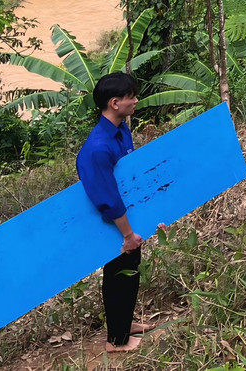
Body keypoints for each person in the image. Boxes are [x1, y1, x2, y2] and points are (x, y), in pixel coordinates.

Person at [76, 72, 151, 353]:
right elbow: (107, 197)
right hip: (115, 225)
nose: (136, 101)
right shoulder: (97, 148)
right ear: (115, 102)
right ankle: (116, 341)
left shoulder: (121, 130)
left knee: (130, 271)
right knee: (118, 275)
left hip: (128, 220)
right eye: (131, 97)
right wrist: (128, 234)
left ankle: (124, 324)